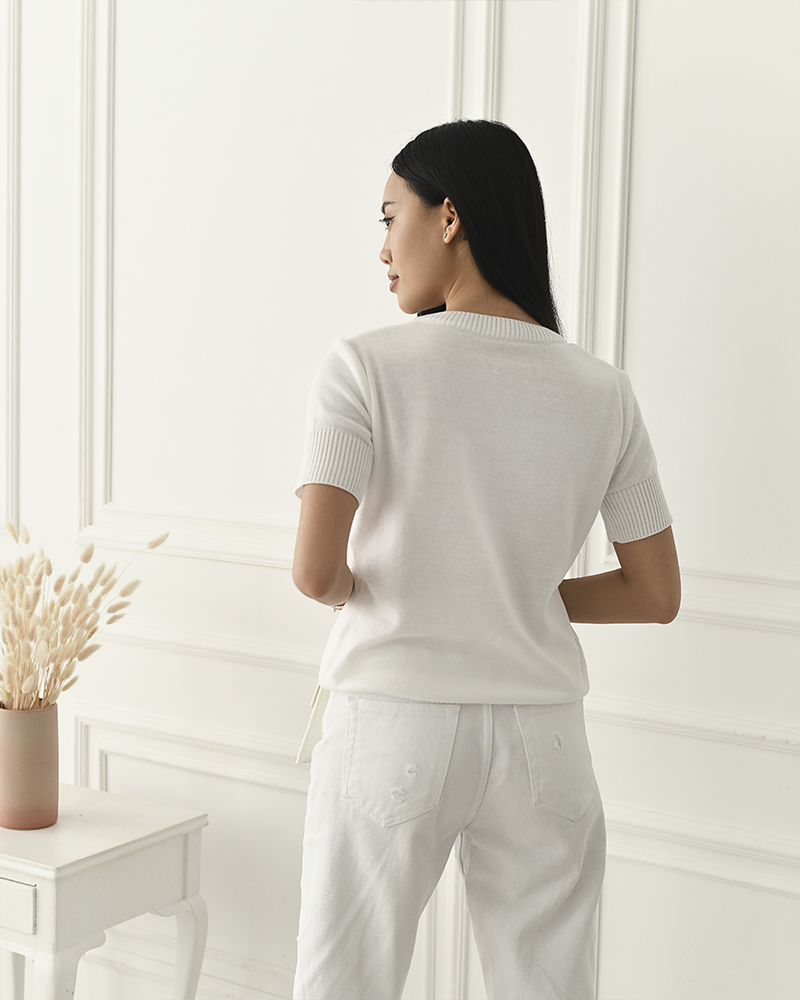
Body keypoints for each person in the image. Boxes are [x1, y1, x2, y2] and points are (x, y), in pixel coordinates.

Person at [291, 119, 680, 1000]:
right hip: (545, 738)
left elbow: (316, 574)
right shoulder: (604, 393)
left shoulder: (363, 367)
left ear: (450, 216)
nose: (382, 248)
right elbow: (656, 592)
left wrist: (398, 586)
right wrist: (514, 594)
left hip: (393, 718)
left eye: (390, 217)